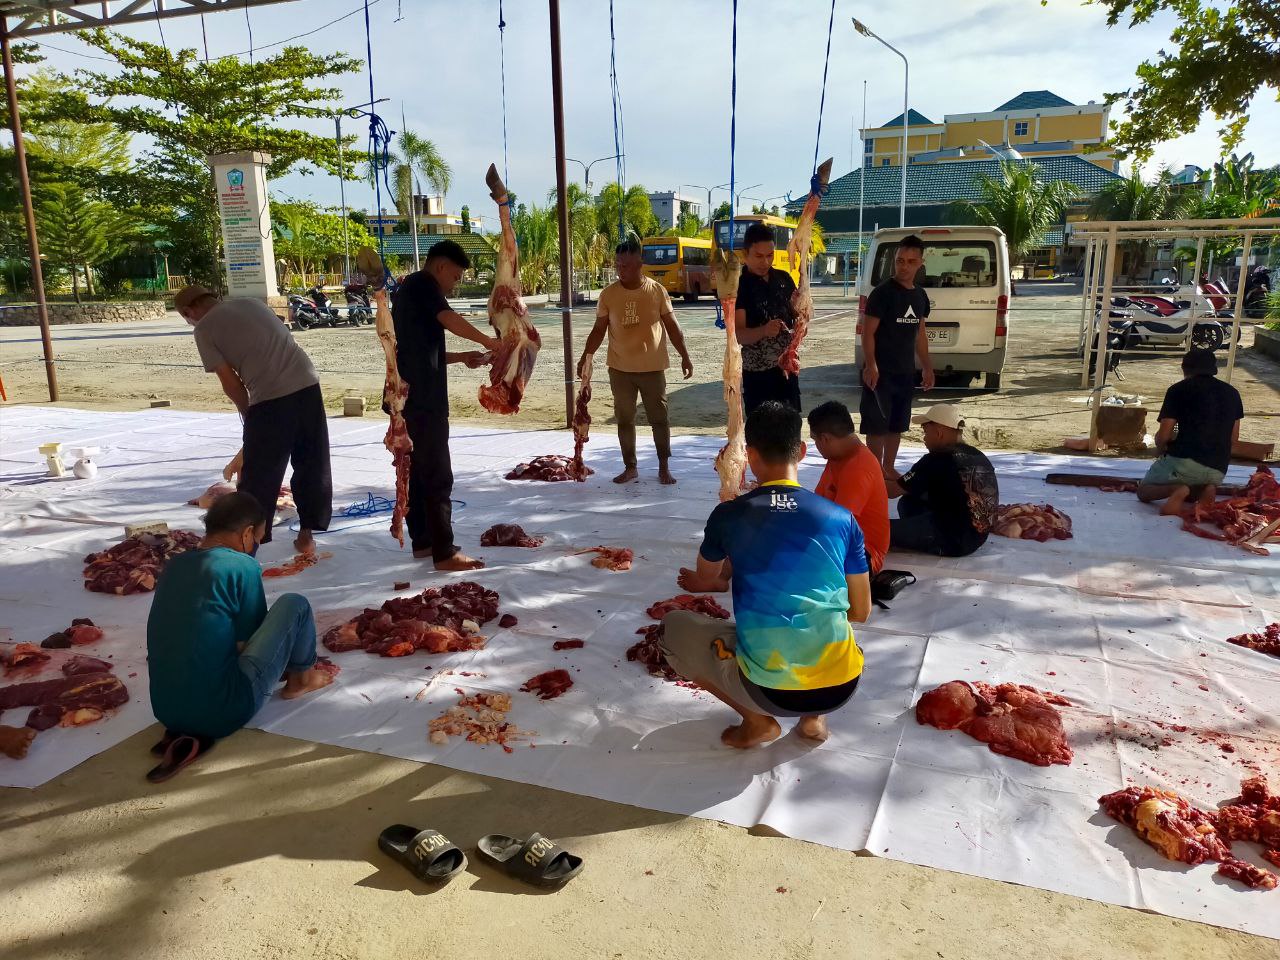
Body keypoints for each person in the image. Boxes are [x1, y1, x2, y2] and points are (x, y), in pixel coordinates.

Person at [665, 402, 872, 749]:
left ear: (749, 455)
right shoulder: (841, 518)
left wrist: (715, 580)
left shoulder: (730, 515)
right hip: (842, 685)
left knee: (673, 627)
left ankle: (757, 721)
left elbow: (707, 576)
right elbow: (860, 611)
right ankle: (813, 720)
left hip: (768, 690)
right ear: (803, 452)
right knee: (826, 629)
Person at [146, 493, 334, 750]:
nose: (255, 545)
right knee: (294, 604)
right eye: (257, 539)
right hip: (224, 712)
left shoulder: (175, 565)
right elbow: (246, 645)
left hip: (166, 711)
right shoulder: (242, 565)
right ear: (246, 535)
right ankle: (301, 681)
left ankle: (295, 675)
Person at [176, 284, 331, 553]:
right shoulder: (252, 303)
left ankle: (247, 547)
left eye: (187, 318)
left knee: (259, 476)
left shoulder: (203, 329)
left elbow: (230, 382)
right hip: (307, 382)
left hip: (271, 396)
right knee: (311, 461)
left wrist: (250, 415)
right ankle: (306, 535)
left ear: (189, 311)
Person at [392, 240, 502, 570]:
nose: (454, 286)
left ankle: (423, 541)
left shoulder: (411, 288)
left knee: (418, 473)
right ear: (441, 267)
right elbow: (448, 319)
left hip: (411, 395)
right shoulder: (424, 284)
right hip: (423, 400)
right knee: (438, 474)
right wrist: (487, 341)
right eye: (455, 277)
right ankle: (445, 552)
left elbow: (419, 348)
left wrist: (459, 358)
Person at [578, 238, 694, 484]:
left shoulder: (656, 291)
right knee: (624, 419)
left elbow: (672, 327)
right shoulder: (608, 294)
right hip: (620, 369)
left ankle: (664, 466)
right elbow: (598, 330)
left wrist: (684, 355)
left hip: (652, 368)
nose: (622, 270)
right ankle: (630, 466)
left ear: (640, 263)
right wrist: (585, 357)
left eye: (627, 266)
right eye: (619, 265)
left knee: (659, 419)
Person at [860, 234, 935, 475]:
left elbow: (920, 335)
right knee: (876, 426)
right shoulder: (882, 294)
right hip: (881, 373)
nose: (904, 266)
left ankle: (888, 468)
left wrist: (927, 366)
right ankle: (873, 472)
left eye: (911, 262)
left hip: (905, 373)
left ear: (920, 263)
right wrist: (871, 365)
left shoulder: (920, 296)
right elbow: (867, 333)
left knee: (897, 425)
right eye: (900, 260)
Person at [1137, 348, 1244, 515]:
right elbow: (1233, 439)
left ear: (1184, 369)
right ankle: (1206, 488)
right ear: (1213, 369)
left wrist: (1160, 451)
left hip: (1184, 462)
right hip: (1218, 468)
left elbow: (1163, 435)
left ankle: (1176, 489)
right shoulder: (1233, 393)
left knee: (1143, 491)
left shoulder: (1178, 390)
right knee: (1195, 480)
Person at [886, 403, 997, 557]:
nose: (924, 438)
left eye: (925, 432)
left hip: (951, 540)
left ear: (938, 433)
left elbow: (891, 491)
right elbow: (908, 484)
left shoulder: (937, 459)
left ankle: (926, 539)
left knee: (875, 530)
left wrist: (869, 473)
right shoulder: (977, 455)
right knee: (909, 501)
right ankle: (917, 533)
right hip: (977, 537)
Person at [807, 400, 890, 574]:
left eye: (815, 440)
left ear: (825, 438)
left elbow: (836, 526)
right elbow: (817, 503)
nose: (816, 446)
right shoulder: (837, 457)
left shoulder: (859, 467)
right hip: (841, 545)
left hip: (862, 555)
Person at [735, 222, 801, 414]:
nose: (765, 262)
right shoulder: (740, 287)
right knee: (762, 434)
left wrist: (800, 309)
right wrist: (763, 330)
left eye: (770, 255)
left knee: (790, 428)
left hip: (787, 369)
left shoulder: (783, 279)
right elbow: (738, 335)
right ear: (745, 254)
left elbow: (798, 316)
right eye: (759, 256)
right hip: (758, 374)